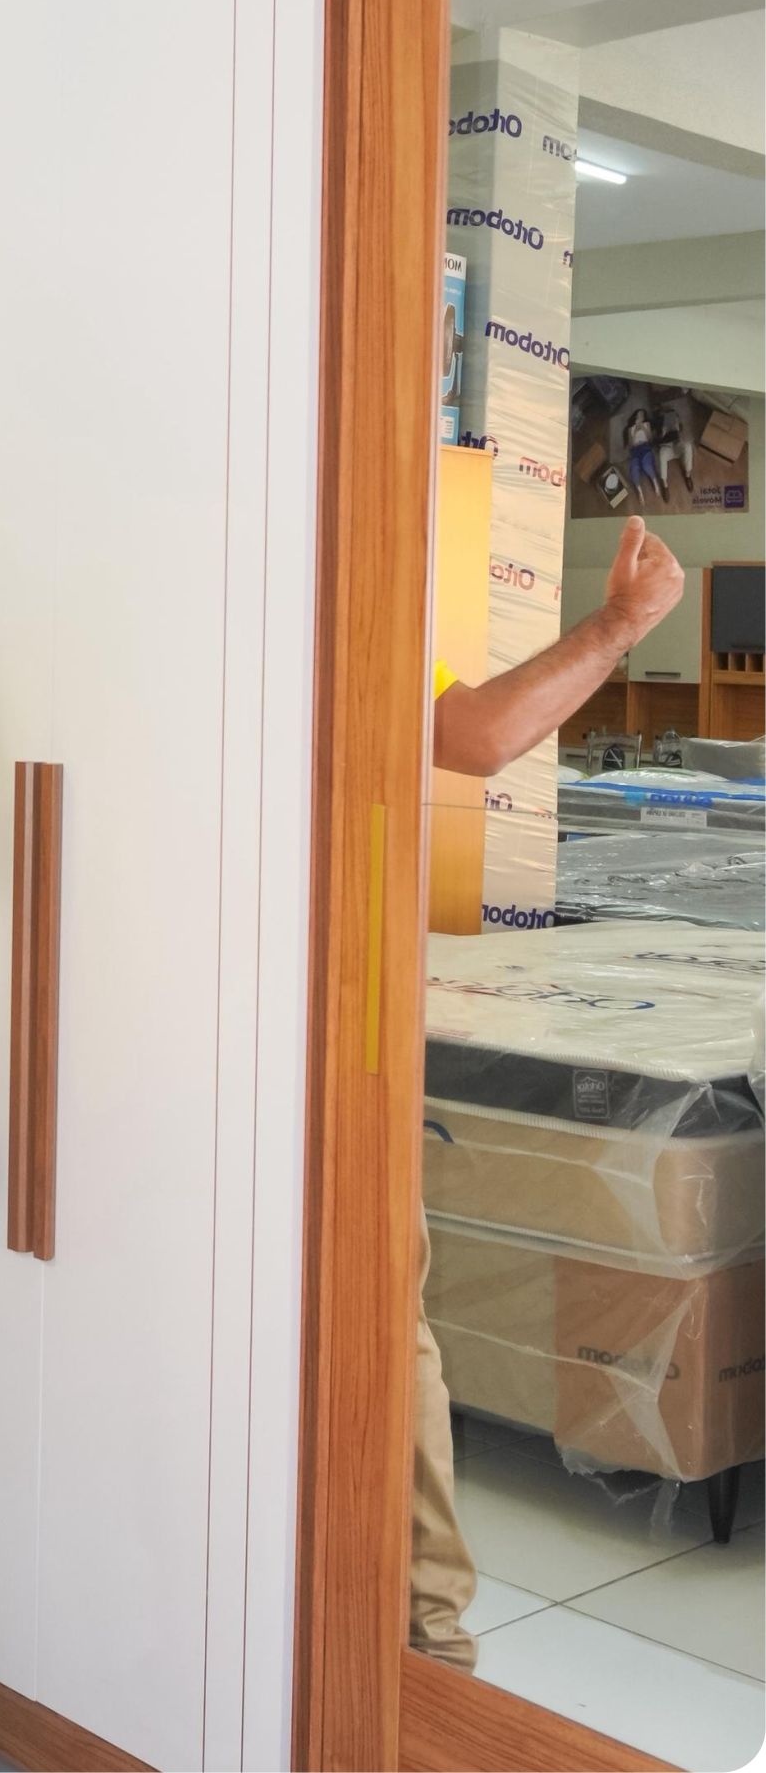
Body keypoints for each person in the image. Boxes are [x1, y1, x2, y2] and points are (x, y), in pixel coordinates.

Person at [414, 512, 685, 1671]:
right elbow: (473, 737)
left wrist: (619, 623)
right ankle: (415, 1635)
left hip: (302, 1012)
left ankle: (418, 1641)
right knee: (372, 1326)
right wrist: (620, 621)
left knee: (373, 1327)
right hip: (282, 1011)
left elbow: (470, 733)